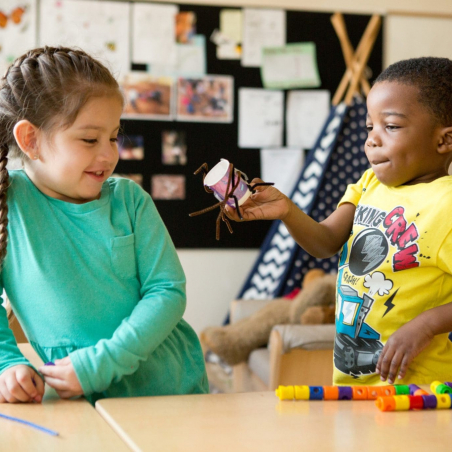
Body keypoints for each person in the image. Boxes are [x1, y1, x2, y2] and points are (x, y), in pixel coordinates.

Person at [226, 57, 452, 386]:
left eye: (390, 126)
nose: (372, 139)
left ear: (444, 140)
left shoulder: (445, 204)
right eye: (369, 127)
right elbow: (325, 242)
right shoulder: (368, 185)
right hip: (353, 384)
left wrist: (427, 324)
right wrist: (287, 210)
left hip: (421, 392)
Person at [0, 46, 208, 404]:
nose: (109, 154)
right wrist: (7, 363)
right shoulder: (8, 205)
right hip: (73, 399)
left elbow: (168, 292)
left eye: (113, 137)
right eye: (89, 139)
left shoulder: (130, 200)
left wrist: (103, 362)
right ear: (30, 140)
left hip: (166, 390)